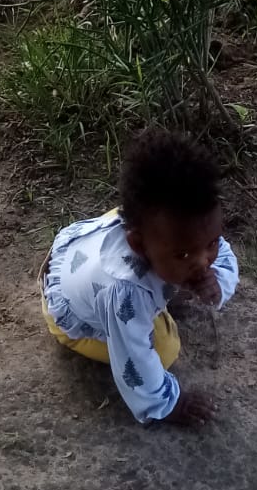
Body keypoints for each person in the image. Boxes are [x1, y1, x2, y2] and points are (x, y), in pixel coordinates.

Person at [40, 128, 239, 428]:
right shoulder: (125, 294)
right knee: (165, 349)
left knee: (166, 234)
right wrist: (170, 405)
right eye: (184, 255)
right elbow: (132, 359)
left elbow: (221, 254)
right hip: (68, 311)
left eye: (211, 243)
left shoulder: (179, 231)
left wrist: (217, 282)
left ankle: (170, 273)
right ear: (136, 244)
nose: (203, 261)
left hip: (80, 248)